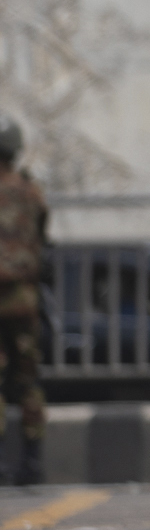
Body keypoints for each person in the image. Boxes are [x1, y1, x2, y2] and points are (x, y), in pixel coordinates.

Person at [0, 115, 46, 487]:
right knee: (28, 381)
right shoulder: (31, 191)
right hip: (24, 300)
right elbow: (42, 235)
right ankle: (32, 462)